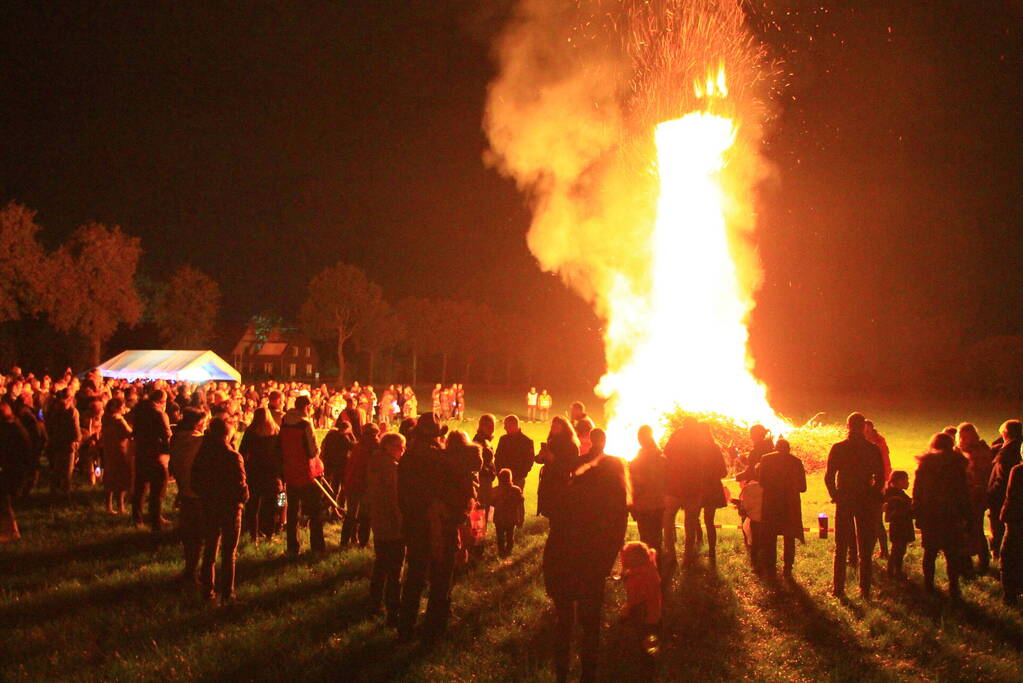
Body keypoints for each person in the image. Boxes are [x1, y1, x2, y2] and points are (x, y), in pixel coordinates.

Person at [543, 427, 628, 683]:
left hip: (564, 565)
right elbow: (615, 535)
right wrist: (605, 564)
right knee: (589, 626)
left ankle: (562, 675)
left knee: (564, 624)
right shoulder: (610, 504)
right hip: (589, 566)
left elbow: (555, 531)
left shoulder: (571, 492)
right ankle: (587, 675)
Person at [397, 414, 455, 639]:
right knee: (440, 574)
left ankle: (406, 624)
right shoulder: (440, 459)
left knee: (415, 574)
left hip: (413, 522)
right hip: (435, 523)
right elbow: (447, 492)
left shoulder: (408, 457)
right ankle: (434, 626)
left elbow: (402, 492)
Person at [824, 411, 885, 599]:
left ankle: (838, 589)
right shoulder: (872, 449)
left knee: (841, 546)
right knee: (865, 548)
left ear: (848, 426)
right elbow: (881, 477)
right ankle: (865, 590)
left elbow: (829, 476)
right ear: (863, 427)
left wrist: (835, 495)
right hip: (865, 499)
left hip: (845, 499)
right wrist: (873, 494)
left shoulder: (839, 448)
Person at [191, 417, 249, 603]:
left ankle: (208, 590)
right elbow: (242, 487)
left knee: (210, 548)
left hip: (209, 506)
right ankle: (227, 592)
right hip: (230, 509)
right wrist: (242, 498)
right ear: (227, 434)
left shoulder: (203, 454)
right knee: (229, 551)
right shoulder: (232, 456)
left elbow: (195, 481)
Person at [913, 432, 970, 599]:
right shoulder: (958, 464)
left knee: (930, 553)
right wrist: (967, 516)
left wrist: (919, 514)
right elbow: (963, 493)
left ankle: (929, 586)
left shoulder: (925, 465)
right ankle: (954, 586)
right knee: (952, 553)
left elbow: (918, 493)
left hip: (931, 515)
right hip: (952, 515)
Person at [364, 432, 406, 624]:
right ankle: (393, 609)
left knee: (380, 565)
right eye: (399, 447)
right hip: (391, 524)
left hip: (379, 521)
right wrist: (402, 522)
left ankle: (374, 604)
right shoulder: (390, 469)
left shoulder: (374, 463)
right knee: (394, 568)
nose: (402, 451)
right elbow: (394, 499)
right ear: (388, 447)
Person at [281, 395, 325, 555]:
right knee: (315, 510)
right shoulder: (305, 424)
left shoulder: (284, 422)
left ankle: (292, 546)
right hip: (306, 473)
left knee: (292, 511)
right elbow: (312, 450)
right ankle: (317, 547)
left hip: (289, 472)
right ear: (306, 407)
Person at [758, 438, 806, 578]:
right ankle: (788, 567)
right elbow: (803, 487)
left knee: (770, 536)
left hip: (771, 503)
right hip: (790, 504)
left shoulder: (766, 459)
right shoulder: (796, 462)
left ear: (775, 448)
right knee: (789, 536)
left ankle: (770, 566)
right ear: (789, 449)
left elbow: (762, 482)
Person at [169, 408, 207, 585]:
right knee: (198, 536)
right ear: (198, 423)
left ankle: (189, 570)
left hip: (183, 491)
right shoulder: (198, 441)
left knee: (189, 535)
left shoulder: (177, 439)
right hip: (198, 494)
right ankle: (196, 574)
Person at [131, 390, 172, 531]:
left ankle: (137, 518)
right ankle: (155, 519)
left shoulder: (139, 411)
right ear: (161, 401)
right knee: (158, 489)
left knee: (140, 487)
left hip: (141, 452)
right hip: (156, 454)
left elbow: (134, 431)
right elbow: (167, 435)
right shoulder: (159, 413)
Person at [238, 407, 281, 544]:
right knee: (271, 506)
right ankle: (269, 534)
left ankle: (254, 536)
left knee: (253, 506)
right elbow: (281, 453)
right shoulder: (276, 432)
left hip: (254, 471)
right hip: (272, 473)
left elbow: (242, 452)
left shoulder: (251, 432)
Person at [619, 541, 662, 677]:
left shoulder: (639, 576)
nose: (623, 560)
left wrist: (625, 612)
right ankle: (648, 666)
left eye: (625, 558)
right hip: (654, 613)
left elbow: (635, 599)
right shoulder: (648, 568)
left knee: (643, 643)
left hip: (645, 616)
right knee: (649, 642)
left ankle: (645, 670)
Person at [956, 422, 993, 574]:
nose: (963, 440)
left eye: (966, 437)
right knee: (969, 528)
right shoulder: (964, 451)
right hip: (967, 496)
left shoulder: (979, 453)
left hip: (975, 497)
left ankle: (980, 562)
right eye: (961, 437)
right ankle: (973, 563)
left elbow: (980, 477)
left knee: (974, 528)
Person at [629, 425, 666, 558]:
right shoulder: (661, 458)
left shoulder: (637, 461)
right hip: (658, 504)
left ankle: (646, 571)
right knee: (656, 541)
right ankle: (657, 571)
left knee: (645, 541)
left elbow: (634, 484)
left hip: (643, 505)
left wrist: (632, 504)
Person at [341, 423, 379, 548]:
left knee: (351, 514)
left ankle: (346, 540)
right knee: (365, 515)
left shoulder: (358, 446)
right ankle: (362, 542)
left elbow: (351, 466)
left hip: (353, 483)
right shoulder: (374, 447)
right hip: (365, 484)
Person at [988, 420, 1022, 562]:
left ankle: (999, 558)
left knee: (1000, 530)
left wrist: (991, 496)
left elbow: (1001, 480)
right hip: (1011, 499)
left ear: (1006, 433)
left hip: (1002, 499)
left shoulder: (1006, 454)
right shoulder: (1015, 447)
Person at [535, 416, 581, 521]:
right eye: (552, 426)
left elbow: (570, 465)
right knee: (549, 511)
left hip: (560, 482)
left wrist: (553, 459)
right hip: (548, 481)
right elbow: (539, 460)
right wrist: (540, 456)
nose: (553, 429)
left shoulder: (571, 445)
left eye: (557, 426)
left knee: (558, 512)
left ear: (564, 428)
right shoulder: (552, 442)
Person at [0, 402, 32, 542]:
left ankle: (12, 531)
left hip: (14, 470)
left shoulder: (13, 429)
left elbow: (22, 451)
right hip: (12, 468)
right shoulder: (12, 427)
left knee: (4, 499)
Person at [45, 388, 80, 504]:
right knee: (67, 471)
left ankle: (53, 493)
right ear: (70, 398)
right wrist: (77, 441)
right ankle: (65, 496)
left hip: (57, 442)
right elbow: (76, 429)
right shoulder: (72, 411)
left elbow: (49, 425)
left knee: (57, 469)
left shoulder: (54, 410)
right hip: (68, 444)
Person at [99, 398, 133, 514]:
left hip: (108, 450)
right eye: (122, 407)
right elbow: (129, 433)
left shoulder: (105, 418)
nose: (124, 409)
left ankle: (108, 506)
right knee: (121, 479)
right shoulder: (119, 420)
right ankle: (121, 506)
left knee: (109, 477)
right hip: (120, 450)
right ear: (116, 408)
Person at [864, 420, 892, 560]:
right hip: (866, 485)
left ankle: (883, 550)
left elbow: (885, 465)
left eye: (868, 431)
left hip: (877, 485)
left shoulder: (878, 445)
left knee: (876, 519)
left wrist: (883, 485)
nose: (866, 434)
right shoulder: (864, 445)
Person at [999, 454, 1023, 605]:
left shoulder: (1018, 471)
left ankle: (1010, 593)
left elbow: (1012, 495)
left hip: (1016, 519)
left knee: (1009, 556)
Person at [473, 414, 497, 554]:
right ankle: (478, 544)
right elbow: (478, 463)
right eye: (489, 425)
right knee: (480, 511)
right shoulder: (479, 441)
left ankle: (480, 540)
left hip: (486, 481)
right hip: (482, 482)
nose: (492, 428)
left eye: (493, 425)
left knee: (484, 510)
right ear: (482, 426)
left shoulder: (486, 440)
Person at [883, 470, 914, 579]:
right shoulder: (896, 496)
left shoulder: (897, 494)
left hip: (901, 527)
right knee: (897, 550)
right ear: (899, 481)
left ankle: (895, 571)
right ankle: (893, 572)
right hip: (900, 527)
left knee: (899, 550)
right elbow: (901, 511)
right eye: (906, 480)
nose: (908, 482)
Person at [320, 417, 356, 506]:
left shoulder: (331, 435)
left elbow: (324, 446)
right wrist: (351, 435)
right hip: (341, 465)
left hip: (329, 463)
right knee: (339, 487)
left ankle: (326, 503)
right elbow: (353, 446)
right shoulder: (345, 438)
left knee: (330, 485)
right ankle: (337, 506)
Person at [494, 415, 535, 491]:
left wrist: (521, 474)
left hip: (518, 478)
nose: (504, 428)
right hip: (504, 478)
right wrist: (499, 473)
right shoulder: (503, 439)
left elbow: (529, 461)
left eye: (506, 425)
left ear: (513, 425)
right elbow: (498, 456)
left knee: (516, 500)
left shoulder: (527, 441)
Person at [491, 468, 525, 557]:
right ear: (510, 478)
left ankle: (501, 552)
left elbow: (491, 502)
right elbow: (521, 501)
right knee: (510, 536)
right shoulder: (516, 490)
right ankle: (508, 551)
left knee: (500, 536)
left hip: (499, 517)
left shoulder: (495, 490)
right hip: (511, 517)